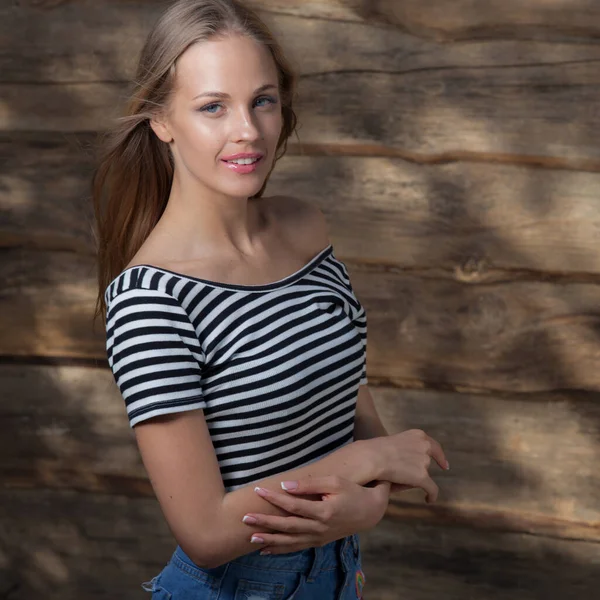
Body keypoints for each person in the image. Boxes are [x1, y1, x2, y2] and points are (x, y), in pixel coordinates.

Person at [91, 0, 449, 598]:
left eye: (262, 100)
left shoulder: (306, 227)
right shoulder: (151, 298)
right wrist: (364, 467)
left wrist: (369, 503)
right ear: (162, 121)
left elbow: (348, 399)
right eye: (212, 107)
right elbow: (205, 531)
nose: (248, 132)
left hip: (338, 576)